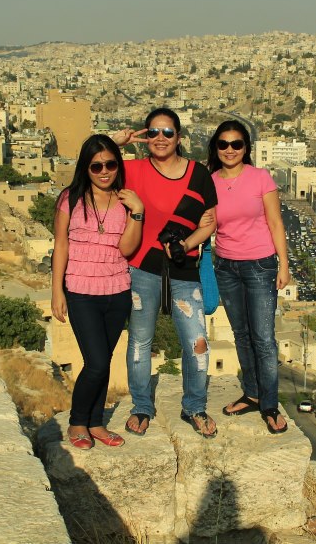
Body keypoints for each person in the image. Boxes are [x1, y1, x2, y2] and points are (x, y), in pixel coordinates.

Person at [112, 108, 219, 438]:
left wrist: (185, 244)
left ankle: (195, 407)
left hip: (183, 269)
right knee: (141, 343)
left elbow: (210, 222)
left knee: (197, 342)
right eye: (154, 132)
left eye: (167, 132)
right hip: (142, 267)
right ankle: (141, 406)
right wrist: (115, 143)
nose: (160, 138)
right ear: (145, 136)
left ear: (179, 137)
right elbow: (90, 166)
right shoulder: (133, 170)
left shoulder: (197, 174)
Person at [51, 134, 145, 450]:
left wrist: (138, 214)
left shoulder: (125, 200)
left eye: (110, 164)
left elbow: (128, 248)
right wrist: (57, 291)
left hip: (117, 289)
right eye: (96, 165)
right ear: (85, 167)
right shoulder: (70, 198)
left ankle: (96, 424)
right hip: (79, 288)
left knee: (103, 360)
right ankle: (78, 421)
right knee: (97, 362)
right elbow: (60, 245)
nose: (104, 171)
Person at [207, 120, 291, 434]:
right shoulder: (210, 181)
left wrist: (284, 265)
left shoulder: (260, 178)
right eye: (223, 144)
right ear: (216, 147)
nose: (230, 150)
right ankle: (253, 393)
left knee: (264, 339)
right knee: (241, 335)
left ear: (246, 148)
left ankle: (270, 405)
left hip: (260, 265)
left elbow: (276, 223)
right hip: (226, 266)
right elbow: (208, 223)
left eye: (237, 144)